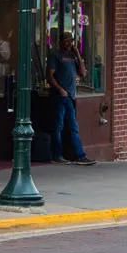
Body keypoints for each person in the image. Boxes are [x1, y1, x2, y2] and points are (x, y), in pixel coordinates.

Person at [47, 32, 96, 165]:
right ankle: (57, 155)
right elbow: (49, 76)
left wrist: (78, 55)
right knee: (58, 126)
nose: (69, 44)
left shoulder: (72, 57)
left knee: (73, 127)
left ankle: (80, 156)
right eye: (67, 41)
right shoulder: (55, 56)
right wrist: (60, 89)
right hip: (60, 96)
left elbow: (82, 73)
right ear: (61, 42)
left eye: (71, 41)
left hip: (70, 96)